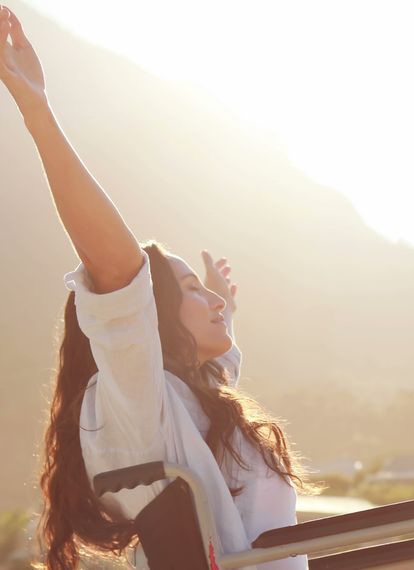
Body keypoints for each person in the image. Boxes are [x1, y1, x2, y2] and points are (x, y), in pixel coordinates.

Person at [0, 6, 317, 569]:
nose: (213, 298)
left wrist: (219, 311)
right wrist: (38, 111)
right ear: (151, 316)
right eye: (190, 291)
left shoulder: (188, 398)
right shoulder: (142, 399)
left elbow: (217, 368)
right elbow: (121, 272)